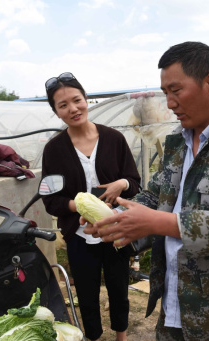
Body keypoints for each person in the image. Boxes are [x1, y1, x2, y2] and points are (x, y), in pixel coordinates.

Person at [83, 41, 209, 340]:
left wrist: (155, 222)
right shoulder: (177, 142)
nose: (170, 103)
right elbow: (156, 195)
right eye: (166, 94)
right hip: (175, 307)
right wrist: (114, 217)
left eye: (176, 91)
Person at [41, 72, 141, 341]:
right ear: (57, 112)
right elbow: (50, 200)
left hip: (117, 229)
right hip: (79, 235)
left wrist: (121, 183)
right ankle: (94, 337)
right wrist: (79, 206)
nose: (73, 109)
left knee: (119, 288)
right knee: (86, 292)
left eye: (77, 100)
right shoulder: (54, 150)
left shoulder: (114, 139)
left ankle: (121, 336)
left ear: (86, 100)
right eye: (63, 105)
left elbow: (135, 183)